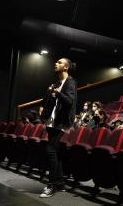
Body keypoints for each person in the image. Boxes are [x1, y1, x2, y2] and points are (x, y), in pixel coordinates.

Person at [39, 58, 77, 197]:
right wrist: (46, 99)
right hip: (51, 121)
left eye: (60, 62)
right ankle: (60, 183)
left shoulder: (71, 83)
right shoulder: (56, 83)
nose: (56, 63)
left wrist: (57, 93)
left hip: (61, 122)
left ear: (66, 67)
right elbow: (48, 100)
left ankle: (52, 185)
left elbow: (69, 101)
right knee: (55, 151)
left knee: (50, 150)